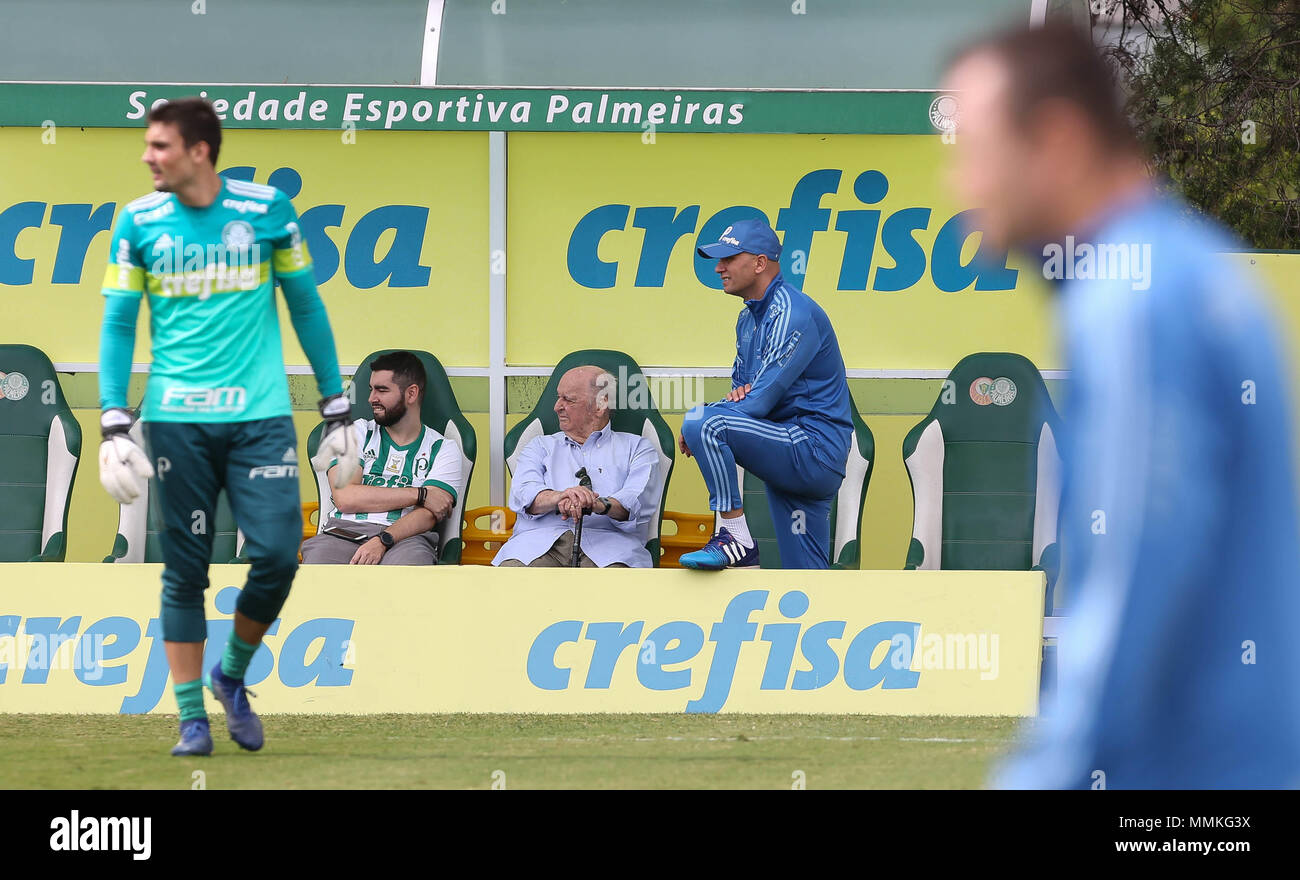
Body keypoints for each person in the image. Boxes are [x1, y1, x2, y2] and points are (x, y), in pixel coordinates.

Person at [943, 22, 1300, 788]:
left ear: (1059, 140)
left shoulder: (1130, 301)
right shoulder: (1186, 266)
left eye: (977, 152)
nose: (964, 188)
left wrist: (1043, 776)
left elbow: (1137, 566)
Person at [96, 97, 359, 757]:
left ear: (199, 152)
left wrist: (335, 404)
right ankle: (191, 721)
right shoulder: (137, 220)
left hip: (260, 419)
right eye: (148, 145)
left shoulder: (266, 209)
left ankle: (231, 675)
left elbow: (306, 303)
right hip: (177, 423)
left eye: (159, 146)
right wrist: (112, 419)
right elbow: (120, 322)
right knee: (184, 573)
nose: (147, 156)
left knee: (274, 555)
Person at [677, 219, 852, 570]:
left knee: (702, 422)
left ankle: (734, 537)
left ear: (759, 263)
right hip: (784, 452)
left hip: (811, 449)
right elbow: (743, 395)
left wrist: (715, 411)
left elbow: (756, 401)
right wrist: (735, 402)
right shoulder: (747, 321)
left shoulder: (792, 311)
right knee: (806, 577)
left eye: (728, 258)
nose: (718, 267)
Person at [302, 351, 461, 565]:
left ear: (411, 394)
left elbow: (431, 513)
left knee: (409, 571)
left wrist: (383, 540)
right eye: (371, 389)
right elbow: (346, 497)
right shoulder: (353, 432)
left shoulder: (444, 448)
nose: (371, 398)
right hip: (342, 533)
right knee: (318, 567)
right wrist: (420, 495)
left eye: (382, 390)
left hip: (407, 538)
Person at [494, 366, 660, 568]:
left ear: (600, 404)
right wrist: (561, 497)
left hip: (611, 549)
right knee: (509, 583)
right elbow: (523, 493)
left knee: (621, 590)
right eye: (558, 397)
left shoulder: (637, 448)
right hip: (537, 546)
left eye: (568, 400)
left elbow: (636, 501)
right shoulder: (539, 445)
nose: (557, 407)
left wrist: (596, 504)